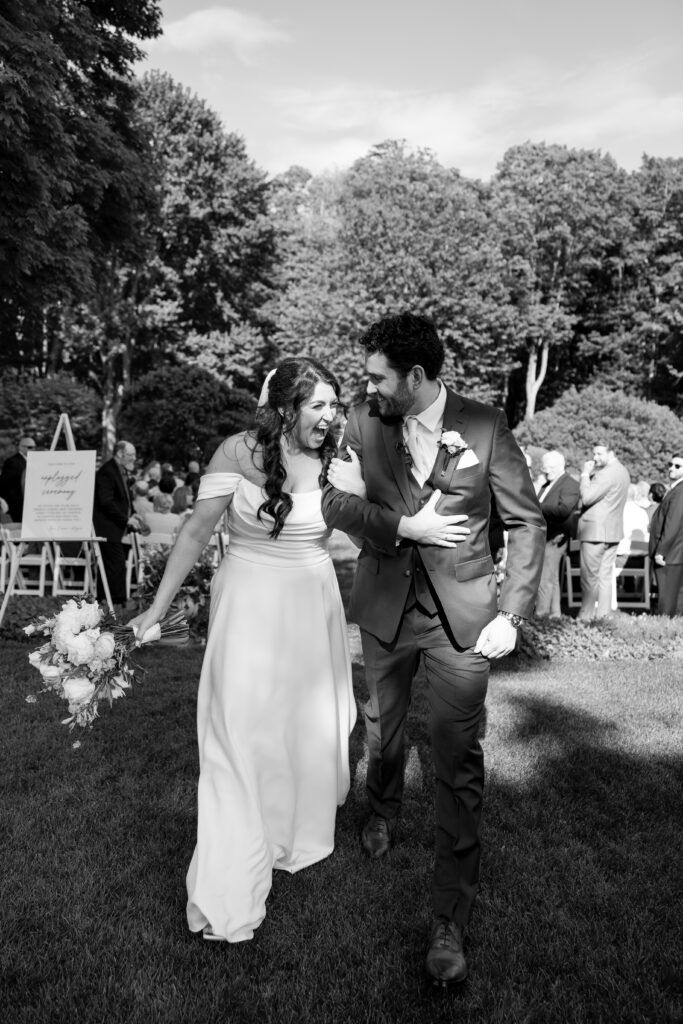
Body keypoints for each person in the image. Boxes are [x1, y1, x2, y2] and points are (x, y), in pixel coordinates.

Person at [321, 312, 546, 985]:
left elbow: (525, 521)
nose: (368, 388)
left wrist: (510, 611)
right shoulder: (363, 424)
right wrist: (401, 525)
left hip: (464, 621)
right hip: (387, 604)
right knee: (383, 729)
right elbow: (332, 501)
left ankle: (449, 916)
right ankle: (381, 806)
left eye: (378, 377)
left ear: (415, 376)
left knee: (456, 755)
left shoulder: (482, 424)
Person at [129, 357, 358, 943]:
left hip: (312, 608)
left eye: (334, 405)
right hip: (248, 605)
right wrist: (157, 610)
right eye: (318, 406)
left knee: (297, 727)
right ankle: (230, 871)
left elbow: (374, 531)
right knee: (235, 729)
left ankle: (287, 827)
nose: (330, 417)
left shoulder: (342, 460)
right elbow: (197, 532)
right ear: (285, 409)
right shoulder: (236, 452)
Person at [576, 443, 630, 620]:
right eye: (594, 454)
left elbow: (587, 497)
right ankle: (603, 617)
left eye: (599, 454)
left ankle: (585, 617)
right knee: (605, 577)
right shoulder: (623, 471)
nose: (594, 458)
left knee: (589, 577)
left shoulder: (606, 473)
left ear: (611, 452)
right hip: (612, 532)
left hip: (595, 532)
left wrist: (584, 474)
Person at [93, 440, 144, 609]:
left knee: (111, 564)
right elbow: (106, 502)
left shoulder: (120, 470)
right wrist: (125, 519)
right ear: (120, 453)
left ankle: (105, 599)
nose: (134, 459)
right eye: (131, 455)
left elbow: (125, 499)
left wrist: (134, 514)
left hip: (115, 527)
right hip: (107, 527)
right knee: (115, 564)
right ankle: (117, 601)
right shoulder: (107, 472)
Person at [534, 450, 580, 618]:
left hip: (556, 537)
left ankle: (541, 616)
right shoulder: (547, 484)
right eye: (544, 468)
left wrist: (536, 506)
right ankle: (554, 615)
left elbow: (563, 510)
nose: (546, 471)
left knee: (545, 579)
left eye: (550, 468)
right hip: (544, 535)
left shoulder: (570, 484)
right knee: (551, 578)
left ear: (560, 466)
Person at [648, 454, 683, 617]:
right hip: (673, 553)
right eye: (671, 464)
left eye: (678, 466)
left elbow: (673, 523)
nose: (671, 468)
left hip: (670, 554)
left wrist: (661, 551)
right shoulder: (675, 489)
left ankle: (666, 635)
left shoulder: (680, 491)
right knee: (670, 599)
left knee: (667, 602)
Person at [0, 435, 37, 522]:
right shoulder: (12, 462)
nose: (33, 449)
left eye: (34, 447)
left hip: (31, 503)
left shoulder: (34, 461)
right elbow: (5, 484)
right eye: (30, 447)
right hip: (19, 505)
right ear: (21, 447)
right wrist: (13, 504)